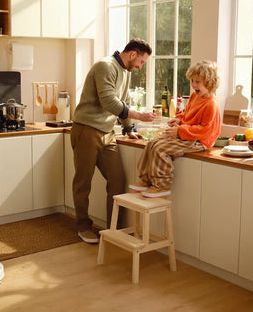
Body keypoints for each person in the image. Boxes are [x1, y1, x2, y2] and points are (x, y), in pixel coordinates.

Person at [71, 38, 156, 244]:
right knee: (83, 182)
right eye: (141, 62)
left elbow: (122, 102)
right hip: (87, 130)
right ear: (133, 54)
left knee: (117, 179)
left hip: (107, 133)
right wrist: (138, 116)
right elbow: (108, 101)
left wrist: (128, 128)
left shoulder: (125, 73)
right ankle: (83, 227)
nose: (140, 66)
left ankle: (114, 229)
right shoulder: (105, 66)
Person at [129, 60, 222, 198]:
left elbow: (206, 130)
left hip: (199, 141)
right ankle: (146, 179)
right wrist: (179, 119)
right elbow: (188, 114)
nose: (193, 85)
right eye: (192, 81)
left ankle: (162, 185)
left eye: (197, 82)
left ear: (209, 82)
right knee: (151, 143)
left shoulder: (211, 104)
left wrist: (180, 131)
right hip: (187, 135)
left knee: (160, 148)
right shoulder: (194, 96)